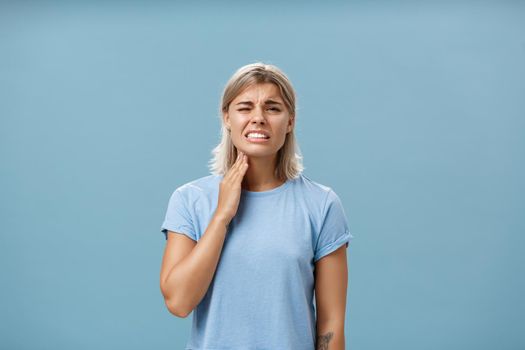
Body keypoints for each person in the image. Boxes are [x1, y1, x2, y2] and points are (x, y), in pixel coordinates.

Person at [159, 62, 354, 349]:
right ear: (226, 117)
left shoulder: (322, 204)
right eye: (245, 107)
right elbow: (179, 302)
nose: (258, 118)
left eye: (273, 108)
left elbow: (331, 324)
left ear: (290, 121)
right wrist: (222, 216)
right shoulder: (190, 199)